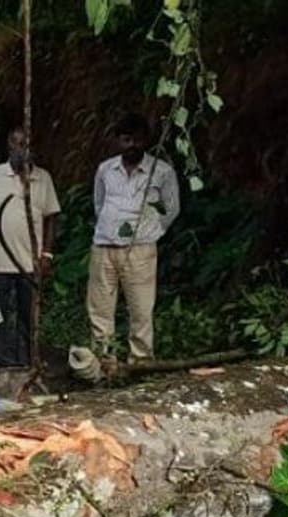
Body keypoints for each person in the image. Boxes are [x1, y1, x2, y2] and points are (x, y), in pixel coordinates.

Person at [89, 112, 181, 362]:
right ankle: (104, 360)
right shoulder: (105, 169)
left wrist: (151, 233)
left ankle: (140, 361)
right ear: (118, 141)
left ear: (146, 141)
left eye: (137, 140)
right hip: (104, 246)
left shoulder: (160, 172)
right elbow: (99, 204)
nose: (131, 146)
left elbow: (171, 209)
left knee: (141, 308)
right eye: (126, 140)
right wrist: (108, 227)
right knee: (100, 308)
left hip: (140, 249)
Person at [0, 127, 61, 367]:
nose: (21, 150)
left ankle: (28, 359)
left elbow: (51, 217)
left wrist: (47, 254)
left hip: (29, 263)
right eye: (16, 144)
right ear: (9, 146)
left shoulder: (42, 179)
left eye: (26, 145)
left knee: (27, 315)